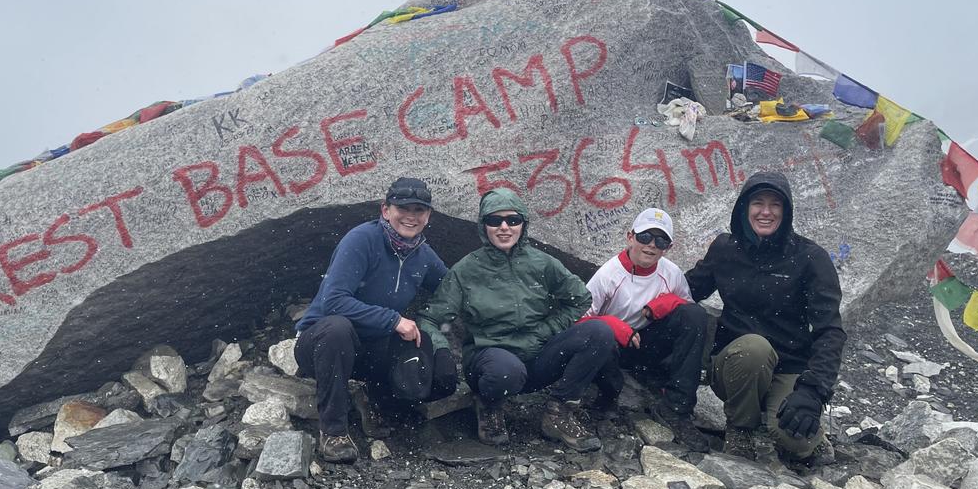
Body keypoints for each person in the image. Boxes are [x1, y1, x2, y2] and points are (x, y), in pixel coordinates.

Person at [418, 188, 608, 451]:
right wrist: (442, 353)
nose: (504, 227)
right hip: (490, 360)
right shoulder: (466, 270)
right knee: (505, 371)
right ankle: (488, 404)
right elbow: (430, 318)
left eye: (513, 220)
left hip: (538, 355)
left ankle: (558, 411)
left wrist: (547, 330)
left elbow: (580, 299)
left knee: (599, 331)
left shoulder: (542, 263)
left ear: (523, 224)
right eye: (494, 221)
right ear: (484, 226)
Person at [294, 177, 459, 464]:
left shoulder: (422, 254)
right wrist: (394, 319)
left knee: (442, 376)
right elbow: (334, 301)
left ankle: (375, 400)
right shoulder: (362, 239)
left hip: (371, 350)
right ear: (385, 209)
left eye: (419, 210)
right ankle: (333, 430)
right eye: (403, 207)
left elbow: (455, 289)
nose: (411, 216)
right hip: (322, 345)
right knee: (337, 329)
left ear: (428, 216)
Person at [685, 171, 845, 464]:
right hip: (736, 365)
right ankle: (741, 429)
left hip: (789, 367)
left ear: (787, 211)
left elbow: (830, 331)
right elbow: (686, 291)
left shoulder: (810, 258)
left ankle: (799, 429)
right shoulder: (725, 248)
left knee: (796, 442)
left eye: (776, 204)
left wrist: (813, 391)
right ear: (744, 208)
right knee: (754, 349)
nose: (766, 212)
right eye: (758, 203)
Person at [580, 208, 711, 452]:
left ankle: (677, 407)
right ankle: (606, 398)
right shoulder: (608, 275)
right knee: (601, 337)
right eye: (644, 237)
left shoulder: (670, 273)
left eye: (660, 241)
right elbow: (578, 322)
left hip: (646, 344)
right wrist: (613, 325)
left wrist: (669, 303)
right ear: (630, 237)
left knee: (695, 315)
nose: (651, 246)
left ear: (668, 248)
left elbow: (690, 314)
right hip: (612, 347)